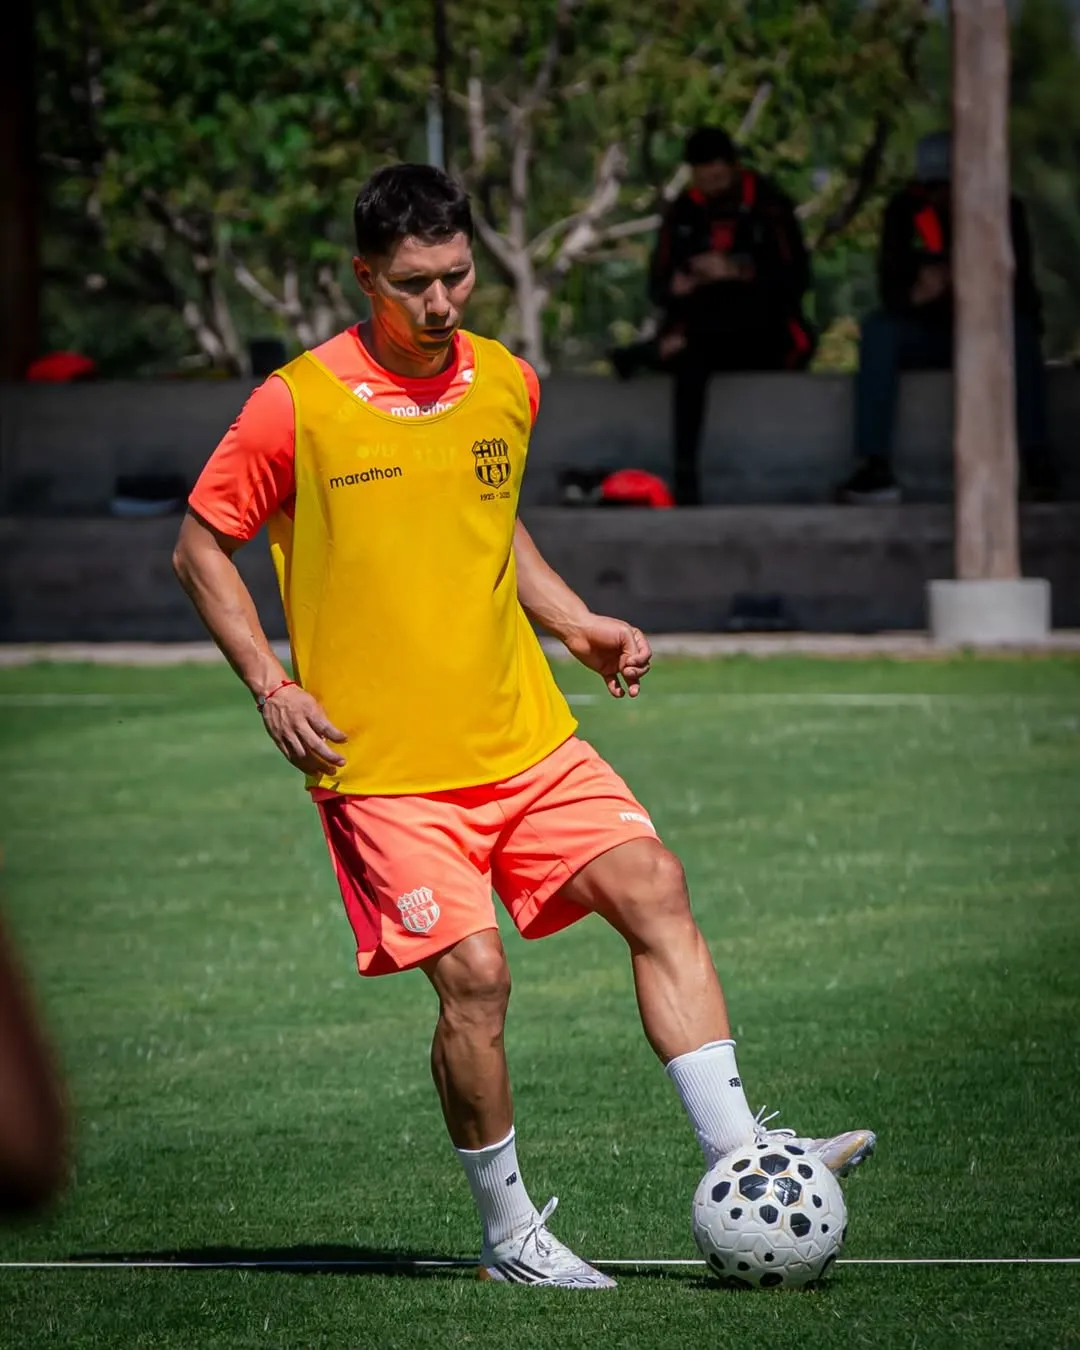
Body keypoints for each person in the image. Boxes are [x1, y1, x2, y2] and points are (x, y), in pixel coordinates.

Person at [173, 163, 874, 1289]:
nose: (442, 303)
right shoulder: (292, 402)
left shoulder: (506, 380)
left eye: (457, 276)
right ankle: (511, 1237)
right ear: (364, 277)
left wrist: (577, 622)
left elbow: (489, 530)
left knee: (655, 884)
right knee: (478, 980)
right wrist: (270, 682)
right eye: (414, 285)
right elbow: (202, 543)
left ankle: (747, 1161)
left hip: (526, 742)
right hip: (385, 771)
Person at [838, 130, 1054, 504]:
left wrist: (974, 281)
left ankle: (1035, 461)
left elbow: (1025, 294)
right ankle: (875, 465)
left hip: (988, 332)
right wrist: (919, 294)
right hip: (928, 330)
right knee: (879, 331)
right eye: (934, 188)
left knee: (1020, 333)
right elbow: (891, 288)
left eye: (952, 185)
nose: (945, 196)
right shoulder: (904, 211)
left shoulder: (1004, 209)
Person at [613, 127, 814, 506]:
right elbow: (658, 286)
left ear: (734, 168)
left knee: (702, 335)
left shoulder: (768, 205)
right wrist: (680, 283)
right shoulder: (685, 210)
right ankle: (685, 475)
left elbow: (796, 280)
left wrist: (736, 270)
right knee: (694, 355)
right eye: (703, 178)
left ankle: (660, 350)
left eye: (719, 177)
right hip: (700, 339)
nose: (711, 186)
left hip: (764, 333)